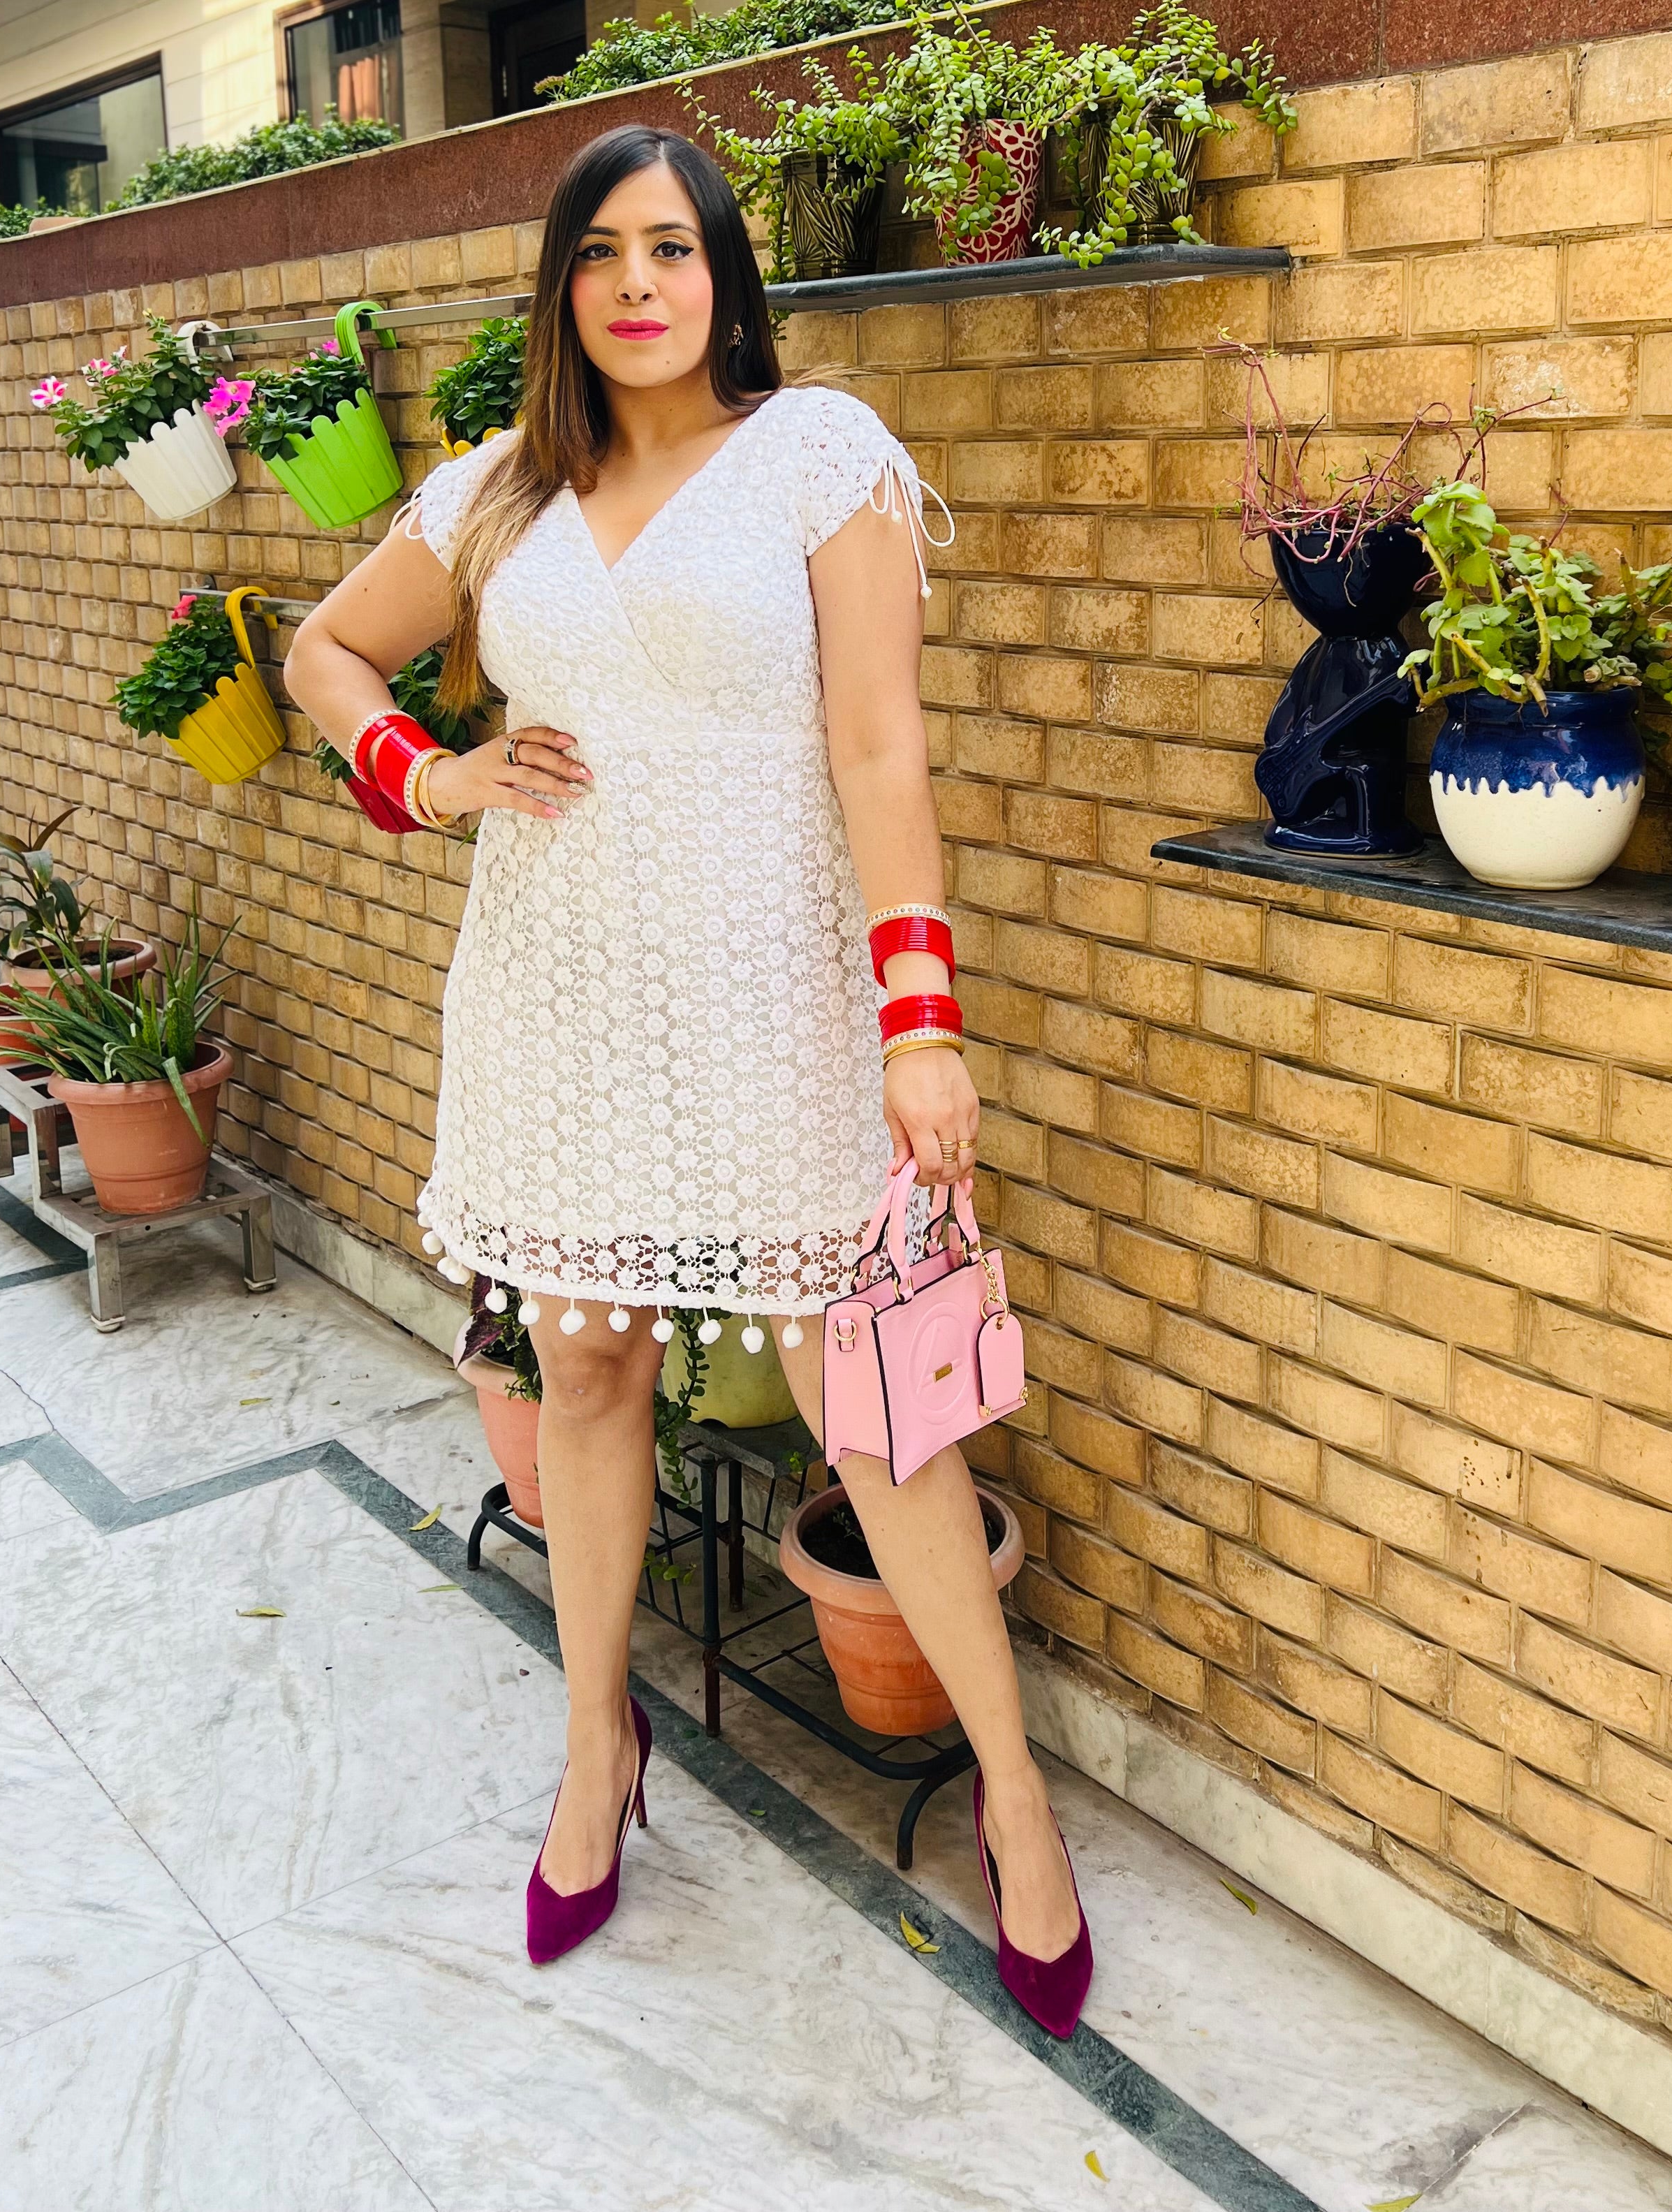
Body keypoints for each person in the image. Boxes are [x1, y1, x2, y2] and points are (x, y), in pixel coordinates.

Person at [284, 124, 1090, 2036]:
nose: (638, 283)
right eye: (600, 253)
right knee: (582, 1366)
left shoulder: (822, 458)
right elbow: (324, 653)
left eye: (673, 246)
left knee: (875, 1412)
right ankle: (595, 1749)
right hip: (556, 992)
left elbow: (882, 750)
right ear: (561, 289)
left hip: (777, 997)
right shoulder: (493, 491)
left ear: (726, 273)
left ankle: (1021, 1799)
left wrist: (921, 1024)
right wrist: (437, 774)